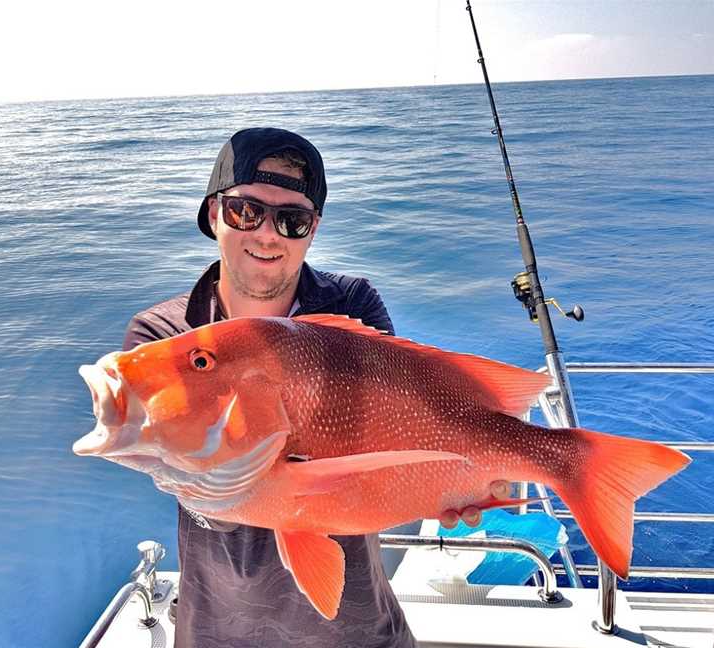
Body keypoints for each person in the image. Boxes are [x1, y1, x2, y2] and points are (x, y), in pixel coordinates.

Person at [123, 127, 509, 648]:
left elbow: (396, 434)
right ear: (214, 213)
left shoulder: (353, 304)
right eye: (245, 211)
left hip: (360, 631)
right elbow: (185, 474)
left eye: (292, 219)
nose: (267, 235)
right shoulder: (165, 337)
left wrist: (442, 482)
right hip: (217, 631)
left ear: (313, 229)